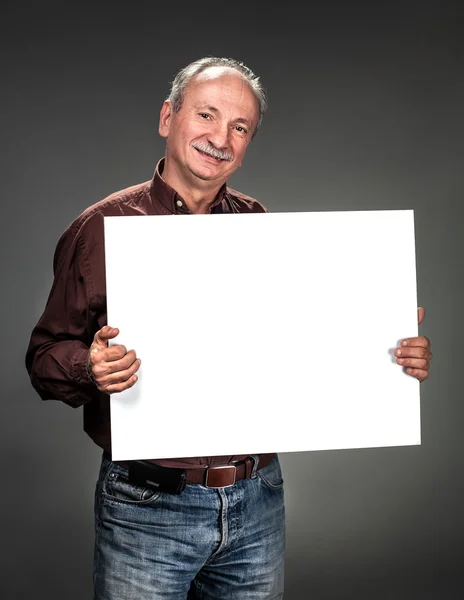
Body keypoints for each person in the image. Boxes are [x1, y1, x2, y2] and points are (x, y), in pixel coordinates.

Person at [25, 57, 433, 600]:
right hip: (146, 507)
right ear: (168, 117)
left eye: (239, 128)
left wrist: (387, 349)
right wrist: (89, 367)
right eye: (207, 115)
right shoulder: (99, 229)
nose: (221, 138)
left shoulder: (258, 225)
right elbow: (44, 359)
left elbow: (301, 342)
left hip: (257, 500)